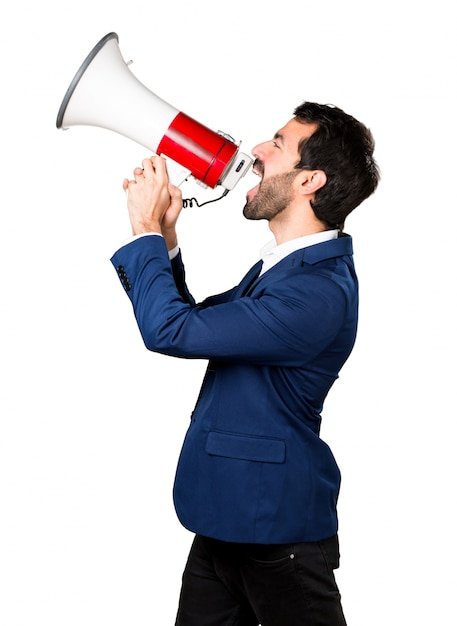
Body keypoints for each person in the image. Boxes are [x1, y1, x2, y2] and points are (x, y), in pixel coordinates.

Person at [111, 101, 380, 625]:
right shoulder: (281, 270)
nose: (255, 150)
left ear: (311, 181)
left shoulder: (316, 292)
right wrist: (164, 237)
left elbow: (170, 331)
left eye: (277, 144)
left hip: (278, 534)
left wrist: (143, 227)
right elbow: (190, 321)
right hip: (224, 521)